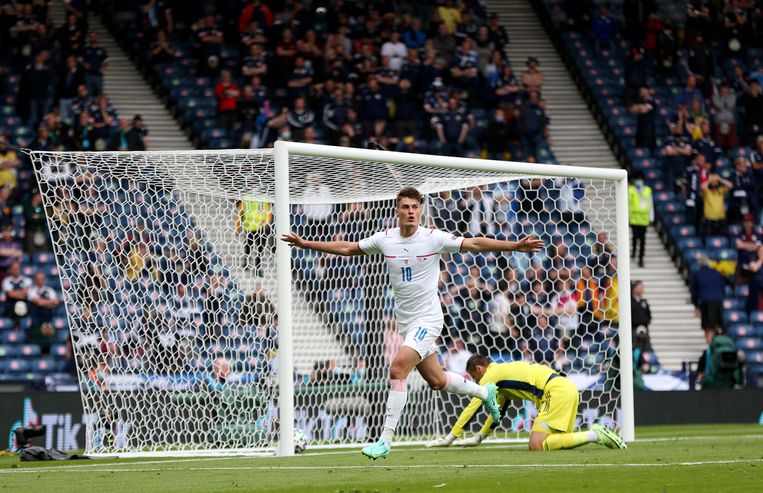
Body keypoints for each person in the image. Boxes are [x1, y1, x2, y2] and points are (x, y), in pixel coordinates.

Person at [282, 187, 545, 459]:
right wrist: (307, 244)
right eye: (405, 207)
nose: (410, 212)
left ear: (420, 210)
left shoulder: (432, 238)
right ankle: (485, 392)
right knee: (437, 380)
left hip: (428, 319)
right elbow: (349, 248)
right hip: (406, 322)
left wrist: (514, 246)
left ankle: (384, 440)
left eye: (415, 207)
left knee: (397, 369)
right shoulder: (385, 239)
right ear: (397, 210)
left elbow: (475, 243)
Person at [427, 355, 626, 451]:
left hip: (554, 392)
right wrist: (480, 437)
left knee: (536, 445)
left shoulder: (491, 374)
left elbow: (474, 405)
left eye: (475, 377)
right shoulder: (502, 379)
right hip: (567, 388)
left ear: (479, 369)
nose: (477, 383)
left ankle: (596, 434)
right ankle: (597, 434)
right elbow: (498, 412)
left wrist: (452, 436)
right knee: (555, 444)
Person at [691, 254, 726, 344]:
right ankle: (720, 346)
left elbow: (694, 292)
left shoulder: (697, 274)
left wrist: (696, 306)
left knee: (709, 327)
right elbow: (722, 288)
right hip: (718, 300)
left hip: (706, 301)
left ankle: (710, 349)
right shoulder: (717, 273)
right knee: (719, 326)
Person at [628, 171, 653, 268]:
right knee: (635, 236)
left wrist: (651, 217)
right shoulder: (630, 190)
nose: (639, 181)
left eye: (640, 179)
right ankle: (634, 251)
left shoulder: (647, 190)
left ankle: (641, 258)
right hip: (634, 218)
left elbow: (650, 204)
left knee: (642, 240)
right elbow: (628, 203)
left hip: (643, 219)